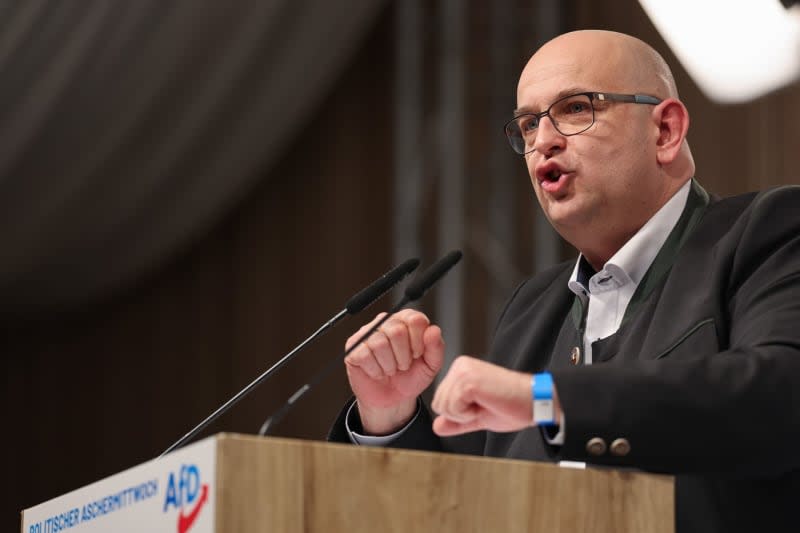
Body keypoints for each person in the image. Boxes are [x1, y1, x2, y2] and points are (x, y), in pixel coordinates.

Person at [328, 29, 800, 532]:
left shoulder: (767, 231)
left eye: (576, 108)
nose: (543, 142)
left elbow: (779, 397)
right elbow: (455, 498)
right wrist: (390, 416)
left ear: (664, 131)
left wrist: (547, 399)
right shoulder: (532, 307)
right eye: (529, 124)